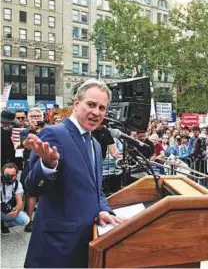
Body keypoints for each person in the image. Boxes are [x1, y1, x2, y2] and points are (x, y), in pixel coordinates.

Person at [22, 79, 123, 267]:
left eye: (102, 108)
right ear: (76, 103)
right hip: (57, 247)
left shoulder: (94, 142)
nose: (96, 112)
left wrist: (103, 210)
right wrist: (47, 165)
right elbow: (32, 186)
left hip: (88, 242)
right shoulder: (54, 134)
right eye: (91, 104)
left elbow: (96, 189)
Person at [1, 163, 30, 234]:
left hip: (6, 212)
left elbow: (19, 202)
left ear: (16, 175)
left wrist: (16, 210)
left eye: (12, 175)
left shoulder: (17, 184)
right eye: (7, 175)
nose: (9, 178)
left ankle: (3, 225)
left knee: (25, 220)